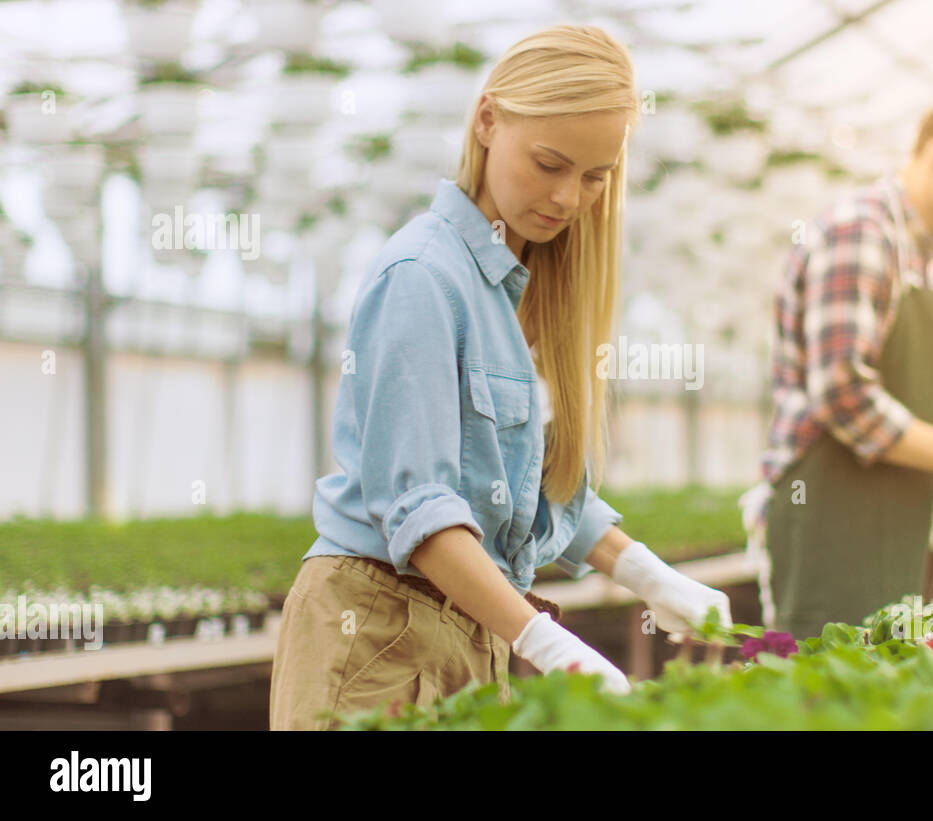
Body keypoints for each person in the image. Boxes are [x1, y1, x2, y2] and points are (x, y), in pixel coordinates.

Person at [270, 25, 732, 730]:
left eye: (594, 177)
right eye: (549, 163)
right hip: (375, 633)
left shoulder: (516, 289)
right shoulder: (423, 277)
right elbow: (422, 513)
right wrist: (549, 642)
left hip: (467, 629)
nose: (568, 197)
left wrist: (646, 572)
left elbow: (522, 489)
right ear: (488, 120)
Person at [743, 92, 933, 641]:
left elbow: (895, 390)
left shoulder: (913, 250)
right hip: (828, 513)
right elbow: (844, 395)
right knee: (824, 691)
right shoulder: (863, 232)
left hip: (875, 513)